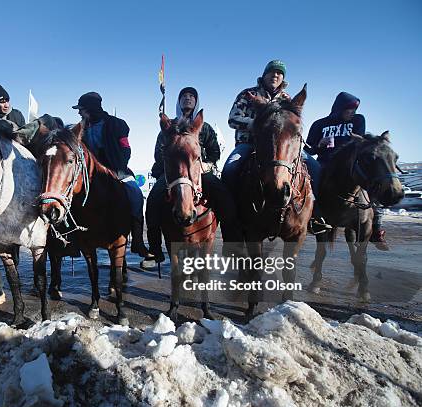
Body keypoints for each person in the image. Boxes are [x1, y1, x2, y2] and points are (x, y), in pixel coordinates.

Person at [142, 87, 244, 267]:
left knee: (224, 196)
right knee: (153, 200)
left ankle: (232, 244)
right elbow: (159, 154)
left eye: (191, 96)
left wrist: (205, 164)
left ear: (196, 102)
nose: (188, 99)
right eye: (184, 96)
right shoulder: (168, 127)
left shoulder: (204, 127)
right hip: (173, 174)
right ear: (178, 101)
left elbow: (214, 152)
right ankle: (155, 250)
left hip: (200, 171)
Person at [222, 59, 327, 232]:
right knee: (229, 170)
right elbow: (233, 118)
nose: (275, 75)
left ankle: (316, 215)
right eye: (272, 72)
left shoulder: (287, 99)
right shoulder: (248, 93)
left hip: (283, 149)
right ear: (264, 75)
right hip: (249, 144)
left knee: (315, 168)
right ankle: (231, 215)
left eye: (279, 73)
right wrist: (259, 124)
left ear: (282, 79)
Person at [306, 92, 389, 250]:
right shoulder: (319, 124)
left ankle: (376, 228)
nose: (352, 112)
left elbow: (359, 143)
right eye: (348, 109)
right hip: (325, 164)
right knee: (310, 182)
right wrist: (319, 145)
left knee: (374, 180)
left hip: (349, 165)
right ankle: (311, 218)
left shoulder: (358, 120)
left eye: (355, 109)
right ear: (339, 108)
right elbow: (307, 150)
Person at [72, 92, 150, 257]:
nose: (79, 113)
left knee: (135, 195)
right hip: (87, 176)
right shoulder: (79, 128)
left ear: (91, 108)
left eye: (82, 109)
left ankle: (137, 241)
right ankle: (73, 240)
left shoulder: (116, 124)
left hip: (117, 171)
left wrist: (116, 168)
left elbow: (126, 150)